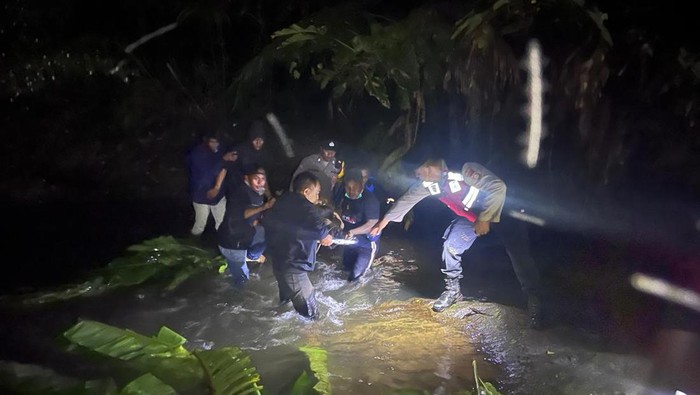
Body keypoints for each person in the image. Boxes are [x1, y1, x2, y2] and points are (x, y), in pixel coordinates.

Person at [370, 159, 546, 328]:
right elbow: (407, 200)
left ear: (430, 165)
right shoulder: (429, 184)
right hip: (471, 218)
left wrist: (485, 219)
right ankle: (453, 291)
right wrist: (384, 222)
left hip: (503, 213)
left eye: (421, 171)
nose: (419, 176)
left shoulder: (464, 169)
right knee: (451, 246)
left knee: (519, 254)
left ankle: (535, 300)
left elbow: (497, 187)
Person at [264, 171, 334, 319]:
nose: (317, 197)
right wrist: (326, 237)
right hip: (294, 269)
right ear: (306, 191)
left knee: (286, 302)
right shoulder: (306, 207)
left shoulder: (282, 200)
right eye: (317, 193)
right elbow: (322, 233)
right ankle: (312, 339)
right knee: (311, 315)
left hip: (278, 263)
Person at [217, 164, 276, 286]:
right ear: (246, 178)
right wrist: (264, 207)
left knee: (271, 232)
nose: (260, 182)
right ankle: (238, 295)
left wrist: (258, 218)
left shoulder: (257, 191)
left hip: (246, 233)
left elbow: (256, 211)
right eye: (256, 178)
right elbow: (240, 214)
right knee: (243, 281)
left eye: (263, 178)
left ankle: (250, 256)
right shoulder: (240, 193)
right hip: (233, 243)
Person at [333, 168, 381, 281]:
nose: (351, 191)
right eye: (348, 187)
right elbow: (335, 210)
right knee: (343, 271)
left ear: (362, 184)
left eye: (354, 187)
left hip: (366, 244)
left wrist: (352, 232)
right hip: (349, 241)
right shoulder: (341, 194)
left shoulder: (370, 200)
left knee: (356, 277)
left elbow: (371, 224)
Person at [186, 132, 227, 236]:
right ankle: (193, 243)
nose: (215, 144)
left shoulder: (221, 150)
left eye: (217, 142)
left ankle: (222, 246)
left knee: (221, 223)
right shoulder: (198, 153)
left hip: (218, 194)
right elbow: (206, 174)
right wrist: (223, 160)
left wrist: (217, 188)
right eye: (212, 142)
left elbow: (224, 169)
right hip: (201, 194)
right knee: (200, 224)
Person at [290, 140, 342, 204]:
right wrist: (291, 196)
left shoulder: (338, 165)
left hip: (324, 200)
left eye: (333, 152)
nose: (330, 154)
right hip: (307, 199)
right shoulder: (309, 161)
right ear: (321, 149)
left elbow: (339, 186)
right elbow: (296, 178)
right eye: (327, 151)